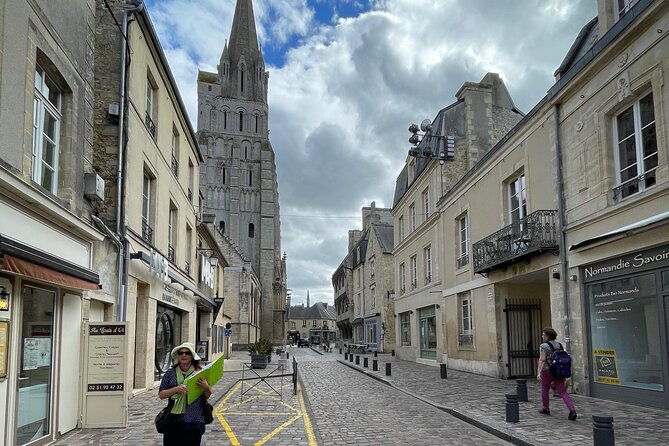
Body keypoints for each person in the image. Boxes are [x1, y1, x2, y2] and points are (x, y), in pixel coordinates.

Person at [159, 342, 212, 445]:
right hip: (174, 420)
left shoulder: (200, 372)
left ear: (192, 356)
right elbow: (161, 394)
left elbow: (207, 395)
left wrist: (206, 387)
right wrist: (176, 389)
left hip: (195, 420)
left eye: (187, 353)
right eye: (181, 353)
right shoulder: (170, 373)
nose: (183, 355)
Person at [537, 327, 577, 421]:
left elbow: (542, 359)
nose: (542, 336)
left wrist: (539, 372)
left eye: (543, 334)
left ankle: (546, 408)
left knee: (545, 389)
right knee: (562, 391)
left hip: (547, 371)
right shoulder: (559, 345)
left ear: (547, 336)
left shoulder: (543, 346)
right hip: (558, 370)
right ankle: (572, 410)